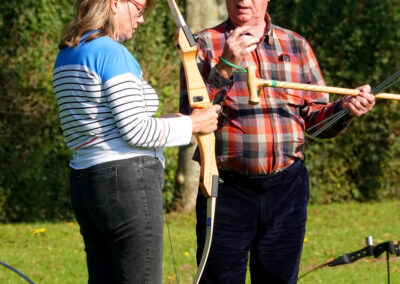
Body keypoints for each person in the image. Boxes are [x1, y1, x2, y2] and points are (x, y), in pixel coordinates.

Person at [180, 0, 375, 283]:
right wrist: (226, 65)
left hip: (288, 190)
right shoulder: (203, 43)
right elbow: (190, 115)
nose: (242, 1)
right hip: (226, 189)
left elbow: (315, 121)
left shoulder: (295, 45)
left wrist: (344, 108)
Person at [52, 0, 221, 283]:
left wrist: (168, 122)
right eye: (139, 9)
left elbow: (105, 125)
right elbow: (136, 132)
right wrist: (193, 124)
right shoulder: (112, 53)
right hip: (126, 184)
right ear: (115, 3)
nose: (141, 19)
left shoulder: (68, 54)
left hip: (86, 182)